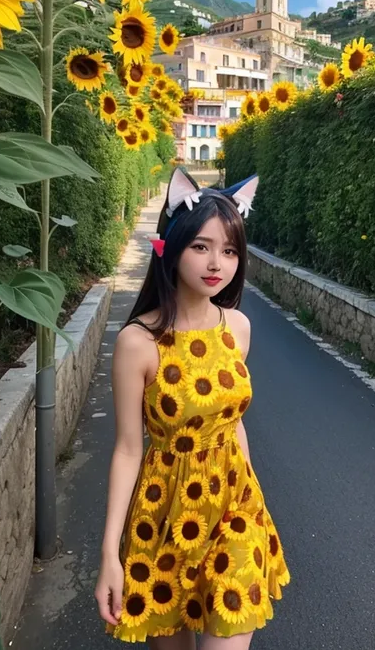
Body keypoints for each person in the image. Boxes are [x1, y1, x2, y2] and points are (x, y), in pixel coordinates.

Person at [95, 167, 290, 649]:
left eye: (229, 250)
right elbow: (126, 449)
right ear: (173, 245)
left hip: (235, 506)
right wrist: (109, 554)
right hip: (164, 516)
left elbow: (234, 419)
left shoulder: (238, 328)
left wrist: (253, 491)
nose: (216, 263)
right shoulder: (139, 343)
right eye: (201, 246)